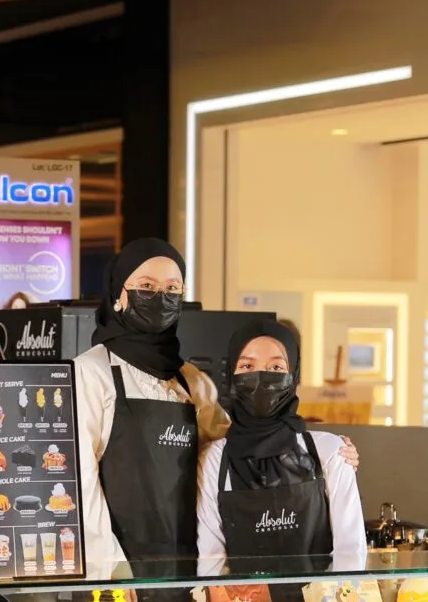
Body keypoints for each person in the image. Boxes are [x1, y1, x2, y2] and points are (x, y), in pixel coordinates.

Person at [74, 240, 358, 571]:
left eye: (172, 289)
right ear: (118, 296)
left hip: (186, 562)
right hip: (119, 568)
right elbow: (80, 485)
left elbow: (240, 442)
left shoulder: (191, 381)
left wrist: (328, 453)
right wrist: (112, 570)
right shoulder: (90, 373)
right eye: (146, 287)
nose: (161, 297)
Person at [196, 316, 366, 575]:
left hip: (321, 600)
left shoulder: (330, 451)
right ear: (231, 374)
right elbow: (211, 563)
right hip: (240, 601)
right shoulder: (214, 460)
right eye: (247, 365)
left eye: (276, 367)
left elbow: (350, 553)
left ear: (293, 374)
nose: (261, 377)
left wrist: (325, 601)